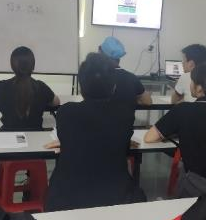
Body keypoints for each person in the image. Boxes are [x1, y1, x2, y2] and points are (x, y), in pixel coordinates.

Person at [44, 53, 146, 211]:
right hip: (116, 197)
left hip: (66, 199)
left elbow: (75, 138)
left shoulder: (66, 112)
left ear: (81, 87)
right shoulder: (124, 115)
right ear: (113, 87)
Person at [144, 63, 206, 197]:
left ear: (199, 88)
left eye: (192, 81)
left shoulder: (183, 110)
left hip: (196, 184)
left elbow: (149, 137)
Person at [0, 46, 60, 203]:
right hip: (36, 144)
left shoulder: (2, 86)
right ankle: (31, 186)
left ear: (12, 65)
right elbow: (56, 102)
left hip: (8, 144)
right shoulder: (41, 86)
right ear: (33, 65)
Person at [98, 36, 152, 106]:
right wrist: (134, 99)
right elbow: (148, 102)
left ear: (101, 54)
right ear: (118, 58)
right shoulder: (132, 78)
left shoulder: (96, 78)